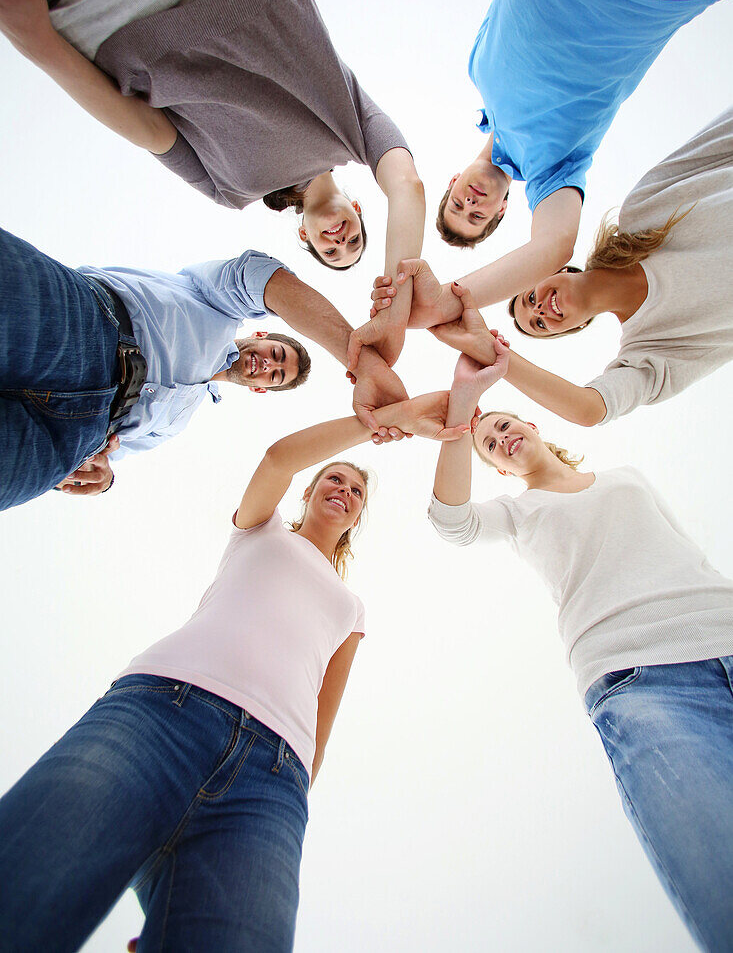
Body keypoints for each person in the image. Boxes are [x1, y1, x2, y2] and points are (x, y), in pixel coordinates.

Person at [0, 393, 468, 951]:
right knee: (30, 880)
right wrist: (383, 422)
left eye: (356, 491)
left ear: (358, 518)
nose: (343, 490)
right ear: (311, 490)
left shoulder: (352, 608)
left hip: (271, 781)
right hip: (161, 715)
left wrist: (295, 797)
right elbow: (277, 458)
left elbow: (324, 716)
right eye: (335, 479)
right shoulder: (260, 530)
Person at [0, 0, 424, 366]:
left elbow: (145, 128)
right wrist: (397, 307)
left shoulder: (231, 190)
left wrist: (38, 43)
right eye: (353, 240)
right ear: (358, 211)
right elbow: (408, 186)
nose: (339, 240)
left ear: (303, 235)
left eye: (330, 251)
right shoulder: (356, 130)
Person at [428, 341, 733, 952]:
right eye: (491, 444)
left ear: (534, 425)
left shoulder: (625, 477)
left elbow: (686, 552)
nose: (502, 438)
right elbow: (449, 520)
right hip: (643, 682)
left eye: (506, 425)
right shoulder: (518, 513)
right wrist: (462, 418)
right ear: (496, 468)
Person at [432, 0, 732, 308]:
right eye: (478, 216)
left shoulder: (477, 69)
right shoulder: (552, 171)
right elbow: (553, 248)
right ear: (502, 210)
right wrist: (449, 302)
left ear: (453, 181)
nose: (471, 203)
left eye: (458, 204)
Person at [0, 226, 409, 511]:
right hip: (81, 325)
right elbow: (260, 278)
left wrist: (104, 480)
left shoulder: (176, 422)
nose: (267, 364)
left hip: (70, 439)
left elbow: (118, 456)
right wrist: (363, 363)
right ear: (262, 332)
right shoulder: (216, 303)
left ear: (261, 389)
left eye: (275, 374)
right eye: (276, 354)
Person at [411, 109, 733, 428]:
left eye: (530, 298)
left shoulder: (644, 210)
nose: (541, 310)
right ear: (573, 329)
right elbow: (589, 410)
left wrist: (441, 301)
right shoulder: (649, 350)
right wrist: (493, 354)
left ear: (558, 270)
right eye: (539, 324)